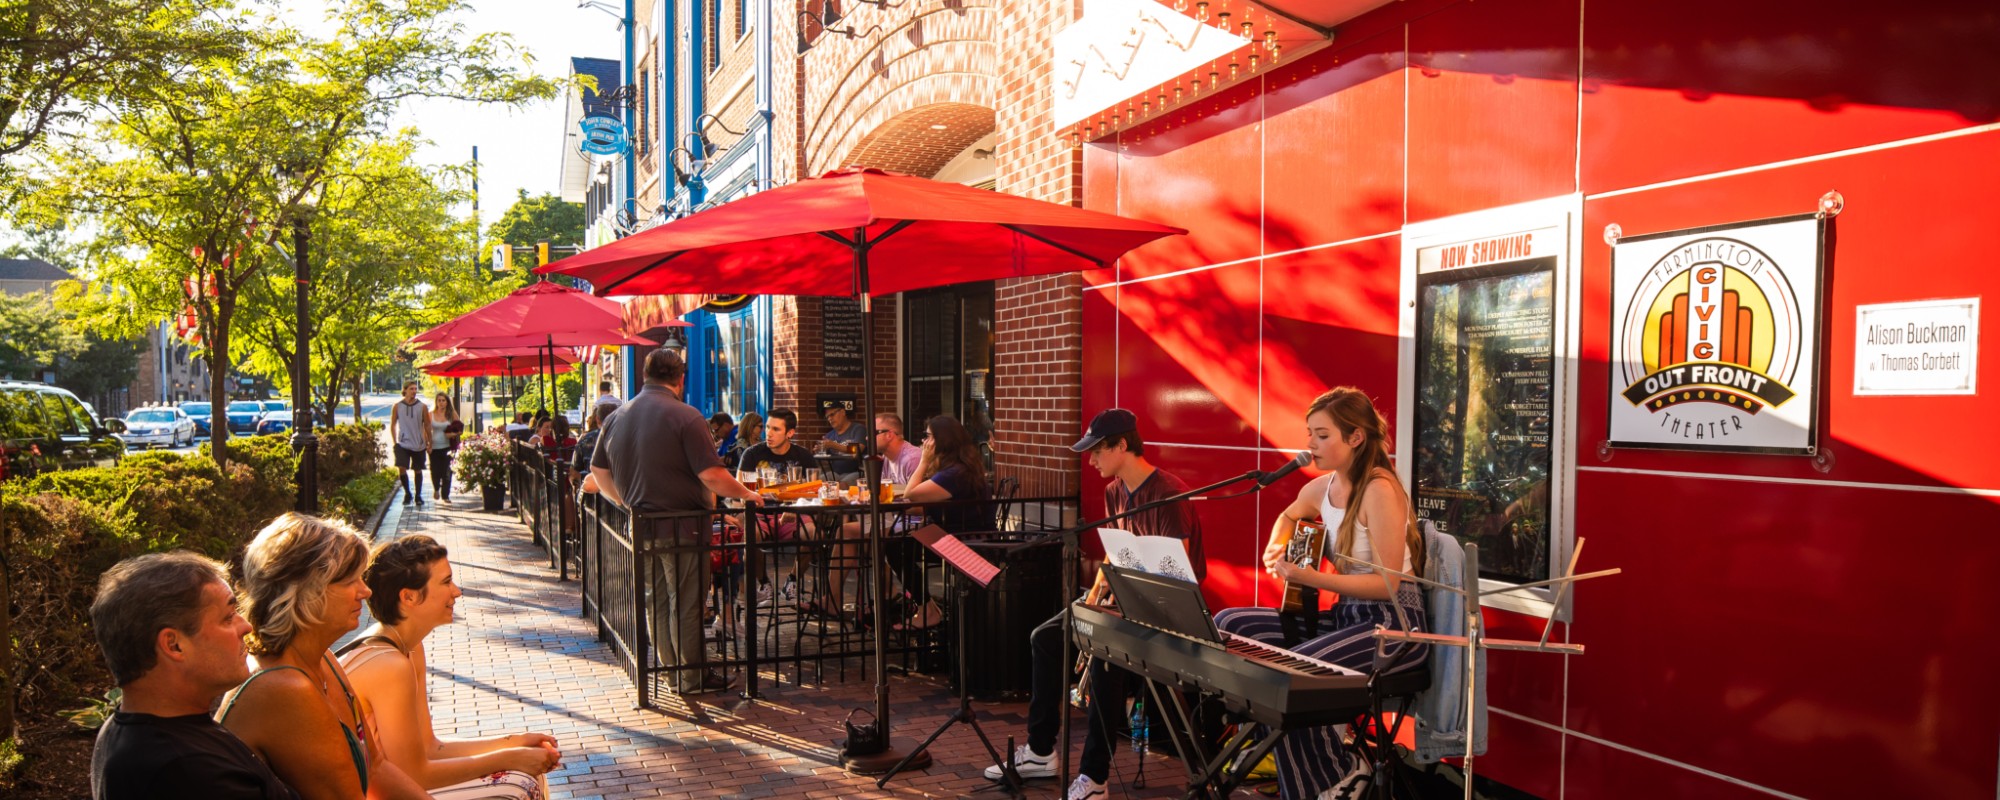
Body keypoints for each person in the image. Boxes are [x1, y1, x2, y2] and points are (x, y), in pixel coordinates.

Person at [1215, 387, 1428, 800]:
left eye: (1322, 435)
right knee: (1229, 626)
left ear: (1356, 438)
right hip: (1348, 617)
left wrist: (1312, 579)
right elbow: (1288, 514)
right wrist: (1276, 545)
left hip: (1395, 629)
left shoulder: (1380, 489)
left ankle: (1338, 775)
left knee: (1295, 682)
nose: (1310, 444)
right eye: (1309, 433)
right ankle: (1298, 750)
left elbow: (1389, 584)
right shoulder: (1324, 487)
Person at [985, 409, 1206, 800]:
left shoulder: (1169, 493)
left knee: (1105, 659)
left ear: (1122, 446)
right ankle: (1040, 752)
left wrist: (1118, 602)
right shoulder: (1114, 490)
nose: (1091, 461)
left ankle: (1095, 778)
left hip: (1164, 612)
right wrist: (1091, 599)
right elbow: (1114, 555)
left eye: (1097, 452)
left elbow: (1179, 574)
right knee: (1045, 637)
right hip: (1124, 600)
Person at [218, 513, 430, 800]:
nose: (365, 591)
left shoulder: (321, 658)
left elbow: (377, 768)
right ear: (304, 592)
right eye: (349, 582)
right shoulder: (285, 688)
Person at [590, 348, 763, 695]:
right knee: (686, 604)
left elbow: (598, 471)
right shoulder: (686, 416)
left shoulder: (616, 416)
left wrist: (624, 502)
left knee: (657, 601)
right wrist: (748, 495)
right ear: (680, 379)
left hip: (641, 526)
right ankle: (692, 677)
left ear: (644, 376)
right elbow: (713, 475)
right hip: (684, 526)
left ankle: (673, 674)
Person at [340, 536, 561, 798]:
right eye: (446, 582)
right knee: (519, 784)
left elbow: (431, 748)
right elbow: (413, 774)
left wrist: (514, 743)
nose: (456, 591)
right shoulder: (389, 665)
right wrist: (509, 758)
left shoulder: (408, 647)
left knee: (526, 774)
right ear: (408, 597)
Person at [89, 552, 297, 799]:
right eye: (228, 618)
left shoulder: (126, 730)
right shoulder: (188, 771)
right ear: (174, 645)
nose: (245, 627)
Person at [890, 415, 997, 631]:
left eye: (928, 437)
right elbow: (943, 504)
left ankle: (928, 610)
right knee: (898, 543)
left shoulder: (955, 473)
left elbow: (912, 494)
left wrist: (923, 461)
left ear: (943, 440)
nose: (924, 442)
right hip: (959, 534)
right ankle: (924, 607)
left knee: (895, 547)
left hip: (961, 543)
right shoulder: (960, 468)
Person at [389, 382, 434, 506]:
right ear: (405, 390)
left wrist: (429, 441)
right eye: (411, 389)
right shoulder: (397, 406)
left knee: (418, 470)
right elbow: (392, 424)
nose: (414, 391)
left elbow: (427, 424)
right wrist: (394, 442)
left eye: (415, 389)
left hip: (418, 443)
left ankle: (418, 495)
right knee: (402, 468)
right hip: (402, 443)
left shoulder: (422, 406)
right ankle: (407, 493)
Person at [736, 409, 815, 477]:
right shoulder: (751, 454)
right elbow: (740, 490)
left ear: (790, 433)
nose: (769, 434)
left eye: (776, 429)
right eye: (767, 427)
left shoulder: (804, 456)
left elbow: (814, 489)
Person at [428, 393, 463, 503]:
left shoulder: (451, 414)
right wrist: (427, 444)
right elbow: (426, 430)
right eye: (439, 400)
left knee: (447, 471)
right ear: (436, 402)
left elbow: (460, 429)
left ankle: (445, 496)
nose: (441, 402)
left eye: (443, 400)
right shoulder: (431, 414)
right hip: (434, 447)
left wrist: (451, 434)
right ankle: (436, 489)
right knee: (435, 470)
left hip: (448, 446)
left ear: (447, 402)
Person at [818, 403, 865, 482]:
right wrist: (820, 451)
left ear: (843, 412)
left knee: (841, 485)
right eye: (827, 417)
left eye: (832, 414)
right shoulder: (829, 435)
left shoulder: (858, 429)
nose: (830, 419)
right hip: (835, 474)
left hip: (856, 472)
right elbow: (826, 462)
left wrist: (834, 445)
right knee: (817, 482)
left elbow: (856, 450)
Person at [875, 412, 923, 485]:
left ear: (889, 435)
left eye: (873, 432)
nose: (867, 438)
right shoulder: (886, 457)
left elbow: (917, 495)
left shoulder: (912, 460)